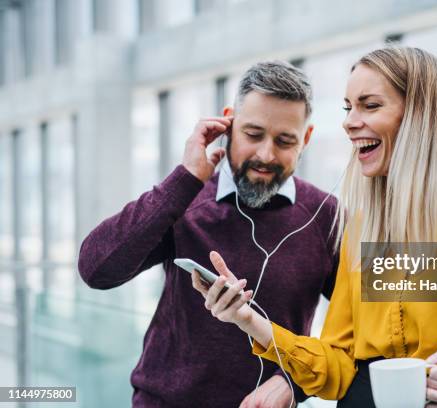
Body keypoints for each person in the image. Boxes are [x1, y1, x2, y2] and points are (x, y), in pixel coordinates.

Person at [192, 46, 437, 407]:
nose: (349, 123)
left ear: (419, 115)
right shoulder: (364, 225)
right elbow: (339, 367)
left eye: (369, 105)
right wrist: (249, 321)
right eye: (348, 107)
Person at [78, 61, 340, 408]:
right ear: (227, 123)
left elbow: (362, 330)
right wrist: (184, 179)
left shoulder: (326, 215)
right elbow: (96, 269)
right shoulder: (183, 199)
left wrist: (295, 383)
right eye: (253, 134)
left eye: (285, 140)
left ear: (305, 139)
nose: (265, 154)